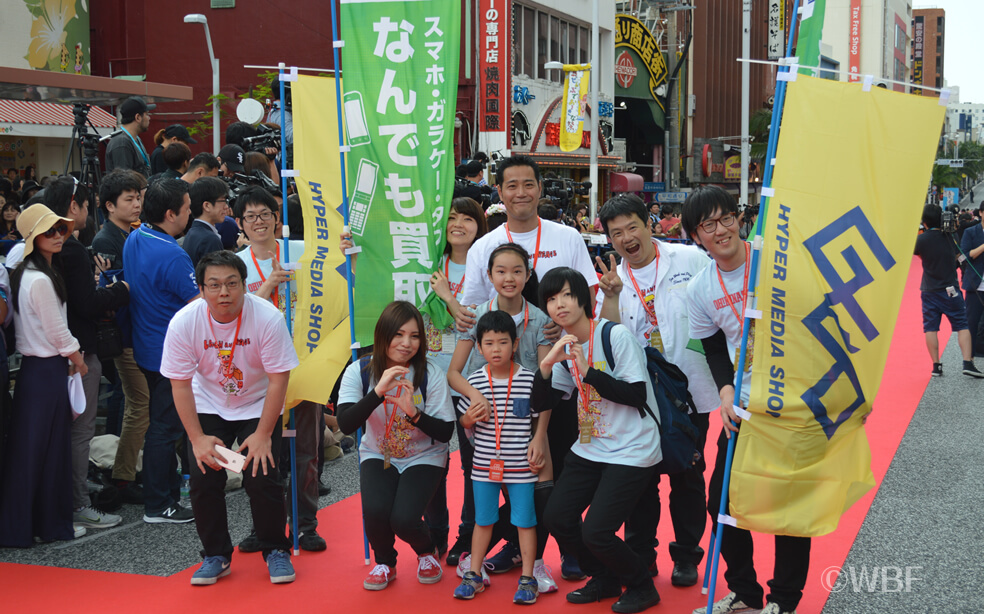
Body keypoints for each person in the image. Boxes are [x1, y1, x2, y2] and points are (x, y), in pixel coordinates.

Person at [682, 185, 808, 614]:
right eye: (708, 225)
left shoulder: (774, 260)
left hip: (794, 401)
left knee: (789, 503)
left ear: (740, 218)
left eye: (727, 218)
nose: (721, 230)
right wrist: (725, 391)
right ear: (696, 236)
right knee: (723, 499)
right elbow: (715, 348)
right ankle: (745, 593)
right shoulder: (700, 288)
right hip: (746, 405)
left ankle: (785, 602)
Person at [595, 194, 715, 585]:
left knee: (687, 475)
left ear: (651, 225)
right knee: (639, 479)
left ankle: (685, 556)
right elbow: (607, 337)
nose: (627, 238)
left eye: (633, 227)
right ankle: (641, 555)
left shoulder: (690, 261)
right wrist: (610, 297)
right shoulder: (611, 279)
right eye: (617, 234)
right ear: (610, 240)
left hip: (691, 390)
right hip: (642, 396)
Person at [161, 250, 299, 585]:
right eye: (214, 285)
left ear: (243, 285)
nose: (224, 292)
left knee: (261, 473)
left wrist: (265, 433)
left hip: (257, 404)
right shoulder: (185, 321)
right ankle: (216, 554)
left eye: (231, 283)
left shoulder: (266, 318)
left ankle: (275, 549)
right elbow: (179, 384)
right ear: (202, 288)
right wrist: (196, 438)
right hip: (209, 404)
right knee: (204, 475)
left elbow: (279, 379)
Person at [533, 267, 663, 613]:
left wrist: (589, 373)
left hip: (633, 448)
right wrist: (545, 368)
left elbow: (636, 395)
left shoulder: (614, 336)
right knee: (557, 516)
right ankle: (602, 577)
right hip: (592, 447)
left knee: (596, 532)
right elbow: (540, 404)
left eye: (565, 295)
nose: (558, 304)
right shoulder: (565, 346)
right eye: (550, 299)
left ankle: (641, 585)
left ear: (584, 299)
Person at [446, 243, 555, 591]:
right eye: (500, 271)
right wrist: (475, 401)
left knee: (533, 501)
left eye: (517, 271)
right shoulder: (475, 316)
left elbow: (542, 381)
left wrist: (539, 436)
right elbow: (454, 373)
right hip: (484, 429)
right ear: (489, 274)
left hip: (523, 428)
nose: (509, 278)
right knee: (481, 504)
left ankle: (531, 567)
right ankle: (474, 564)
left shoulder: (540, 319)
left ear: (528, 273)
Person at [337, 301, 456, 591]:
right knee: (376, 511)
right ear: (383, 335)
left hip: (425, 454)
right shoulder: (359, 371)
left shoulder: (430, 374)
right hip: (379, 451)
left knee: (403, 519)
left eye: (414, 336)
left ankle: (426, 552)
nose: (406, 344)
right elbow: (346, 424)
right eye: (399, 334)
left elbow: (445, 432)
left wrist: (414, 413)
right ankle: (385, 563)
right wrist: (378, 392)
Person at [44, 177, 131, 531]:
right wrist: (120, 290)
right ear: (73, 206)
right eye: (85, 204)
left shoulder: (38, 249)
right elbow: (87, 303)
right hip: (78, 351)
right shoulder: (72, 251)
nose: (88, 210)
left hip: (51, 354)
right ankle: (78, 502)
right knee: (81, 432)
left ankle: (61, 500)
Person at [0, 205, 85, 546]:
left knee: (36, 450)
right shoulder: (38, 279)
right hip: (46, 369)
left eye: (61, 229)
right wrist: (78, 358)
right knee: (43, 451)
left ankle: (32, 525)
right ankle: (41, 525)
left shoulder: (29, 274)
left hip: (39, 371)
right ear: (34, 239)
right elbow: (58, 332)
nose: (58, 235)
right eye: (49, 231)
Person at [123, 178, 200, 524]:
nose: (190, 213)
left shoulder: (135, 236)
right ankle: (159, 504)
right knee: (165, 429)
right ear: (171, 214)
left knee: (164, 424)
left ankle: (168, 493)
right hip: (171, 353)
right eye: (186, 208)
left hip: (147, 347)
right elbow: (199, 304)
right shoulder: (172, 253)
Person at [452, 310, 542, 604]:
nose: (496, 349)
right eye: (488, 343)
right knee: (483, 520)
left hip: (522, 468)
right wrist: (467, 418)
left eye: (502, 342)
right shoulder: (474, 381)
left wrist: (538, 445)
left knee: (525, 521)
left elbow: (539, 419)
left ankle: (528, 578)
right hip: (483, 467)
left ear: (515, 344)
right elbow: (465, 424)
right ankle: (474, 575)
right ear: (478, 347)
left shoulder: (529, 380)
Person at [93, 169, 149, 501]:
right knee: (136, 404)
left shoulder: (132, 232)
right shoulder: (105, 240)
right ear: (109, 206)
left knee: (139, 404)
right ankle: (124, 476)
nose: (136, 204)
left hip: (136, 330)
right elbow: (111, 291)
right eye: (129, 199)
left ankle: (128, 472)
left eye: (138, 197)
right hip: (122, 332)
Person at [915, 205, 984, 377]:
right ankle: (967, 362)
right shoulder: (949, 237)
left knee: (930, 328)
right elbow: (959, 257)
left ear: (924, 221)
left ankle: (936, 365)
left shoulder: (921, 240)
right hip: (950, 289)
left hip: (929, 289)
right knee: (962, 325)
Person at [105, 96, 155, 177]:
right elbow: (124, 182)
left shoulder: (136, 139)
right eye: (147, 114)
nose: (149, 118)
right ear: (138, 117)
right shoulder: (121, 143)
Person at [184, 177, 228, 268]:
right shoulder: (210, 240)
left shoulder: (193, 232)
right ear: (207, 206)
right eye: (223, 201)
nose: (226, 207)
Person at [959, 201, 984, 359]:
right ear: (981, 213)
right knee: (972, 322)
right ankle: (970, 358)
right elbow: (964, 257)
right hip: (976, 285)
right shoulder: (971, 232)